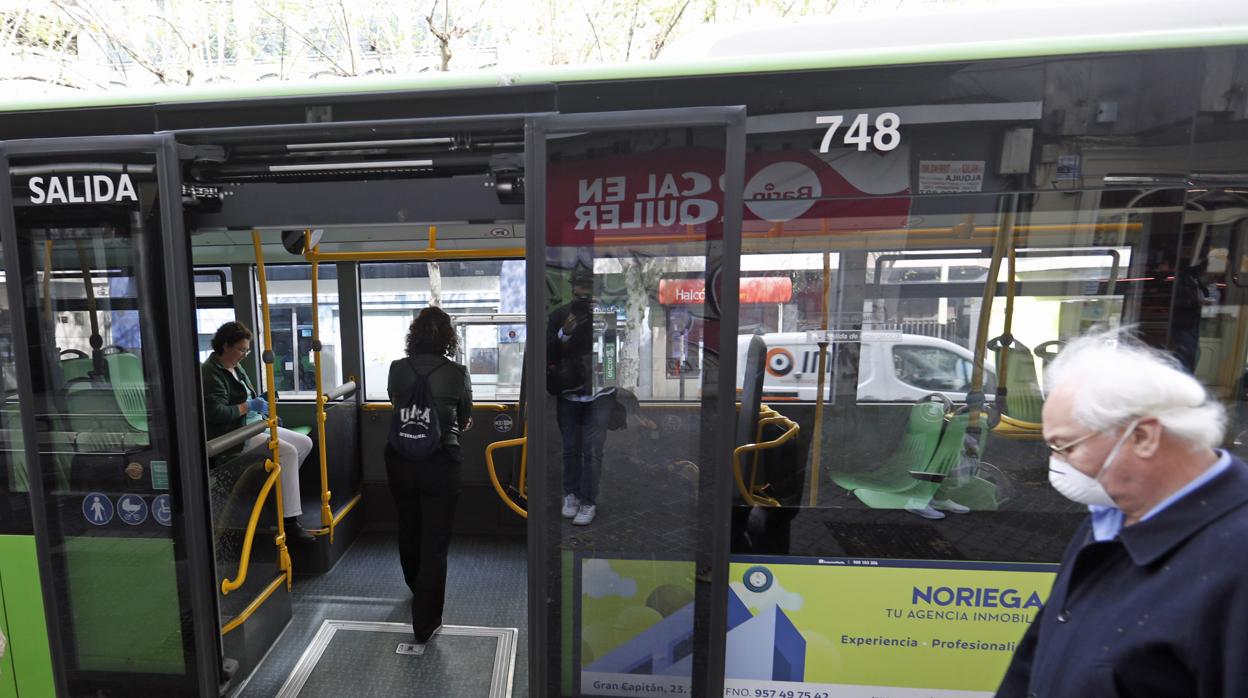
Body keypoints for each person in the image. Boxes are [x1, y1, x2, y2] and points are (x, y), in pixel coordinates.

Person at [996, 333, 1248, 698]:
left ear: (1144, 436)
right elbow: (1038, 654)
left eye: (1065, 446)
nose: (1055, 466)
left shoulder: (1236, 560)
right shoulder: (1106, 519)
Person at [386, 307, 473, 645]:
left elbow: (397, 404)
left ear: (414, 335)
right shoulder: (457, 372)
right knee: (435, 542)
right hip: (441, 461)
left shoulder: (397, 369)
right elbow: (464, 417)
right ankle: (425, 622)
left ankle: (414, 585)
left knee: (409, 527)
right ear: (448, 338)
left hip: (400, 458)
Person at [201, 321, 315, 543]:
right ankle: (289, 522)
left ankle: (277, 497)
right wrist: (249, 406)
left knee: (304, 443)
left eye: (247, 350)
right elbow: (217, 413)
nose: (244, 354)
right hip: (237, 433)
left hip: (255, 424)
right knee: (288, 452)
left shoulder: (237, 368)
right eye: (241, 349)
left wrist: (262, 411)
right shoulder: (210, 373)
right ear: (225, 346)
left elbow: (247, 398)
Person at [547, 264, 615, 526]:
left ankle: (588, 500)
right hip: (569, 394)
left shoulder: (605, 314)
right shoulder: (560, 316)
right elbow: (549, 354)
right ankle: (571, 494)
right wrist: (565, 332)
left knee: (593, 451)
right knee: (570, 449)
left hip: (599, 395)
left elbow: (611, 356)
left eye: (588, 288)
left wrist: (609, 389)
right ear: (572, 289)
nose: (583, 294)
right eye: (580, 288)